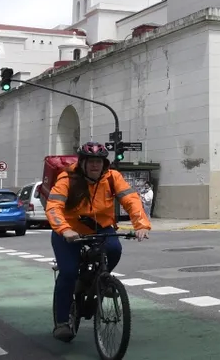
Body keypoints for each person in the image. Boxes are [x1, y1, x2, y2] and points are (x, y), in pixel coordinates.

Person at [46, 142, 151, 342]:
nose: (95, 166)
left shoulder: (113, 178)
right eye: (91, 162)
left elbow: (131, 199)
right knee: (68, 273)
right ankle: (62, 322)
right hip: (69, 229)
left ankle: (100, 282)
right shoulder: (67, 178)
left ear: (104, 163)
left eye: (99, 162)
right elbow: (53, 207)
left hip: (100, 226)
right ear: (82, 164)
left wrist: (141, 224)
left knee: (114, 248)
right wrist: (65, 229)